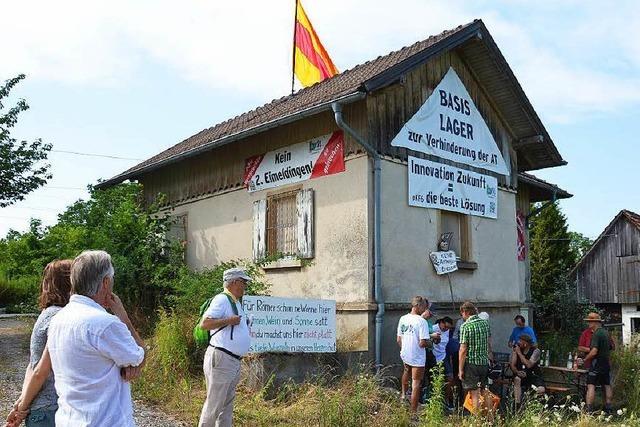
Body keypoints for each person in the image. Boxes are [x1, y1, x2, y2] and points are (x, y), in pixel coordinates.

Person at [47, 250, 145, 426]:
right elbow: (139, 356)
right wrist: (124, 317)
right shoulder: (105, 324)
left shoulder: (58, 320)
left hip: (68, 420)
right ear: (106, 282)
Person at [4, 260, 72, 427]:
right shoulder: (60, 317)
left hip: (43, 410)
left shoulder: (46, 314)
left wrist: (21, 405)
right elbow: (41, 371)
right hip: (52, 410)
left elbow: (32, 365)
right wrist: (22, 407)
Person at [198, 267, 253, 427]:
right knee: (214, 405)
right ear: (234, 282)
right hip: (222, 359)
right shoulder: (222, 299)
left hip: (231, 361)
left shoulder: (235, 301)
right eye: (243, 282)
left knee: (226, 406)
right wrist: (228, 320)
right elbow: (205, 324)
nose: (245, 286)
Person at [397, 296, 431, 413]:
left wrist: (405, 348)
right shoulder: (422, 322)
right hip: (417, 356)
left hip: (405, 353)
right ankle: (413, 411)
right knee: (416, 383)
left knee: (406, 372)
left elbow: (398, 339)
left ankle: (403, 396)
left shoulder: (403, 318)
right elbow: (422, 343)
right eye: (424, 307)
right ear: (418, 306)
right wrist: (431, 342)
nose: (425, 309)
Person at [458, 301, 492, 413]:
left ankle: (477, 421)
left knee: (475, 393)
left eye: (462, 313)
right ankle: (490, 420)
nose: (462, 316)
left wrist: (460, 369)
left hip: (471, 364)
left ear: (466, 312)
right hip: (483, 363)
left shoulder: (465, 326)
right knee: (485, 391)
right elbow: (488, 342)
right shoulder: (485, 324)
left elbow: (463, 350)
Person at [576, 312, 613, 413]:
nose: (588, 324)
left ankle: (589, 410)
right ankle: (608, 408)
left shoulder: (596, 333)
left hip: (596, 363)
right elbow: (611, 347)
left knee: (591, 385)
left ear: (595, 322)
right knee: (607, 384)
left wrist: (585, 359)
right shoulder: (606, 333)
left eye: (589, 322)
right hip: (606, 362)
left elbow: (594, 351)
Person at [509, 333, 545, 404]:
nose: (518, 342)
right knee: (517, 379)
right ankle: (517, 405)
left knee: (541, 389)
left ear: (526, 343)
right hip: (521, 374)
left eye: (520, 341)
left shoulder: (536, 351)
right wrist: (516, 372)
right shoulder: (516, 349)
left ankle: (531, 403)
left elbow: (529, 365)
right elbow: (512, 365)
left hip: (533, 375)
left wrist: (519, 353)